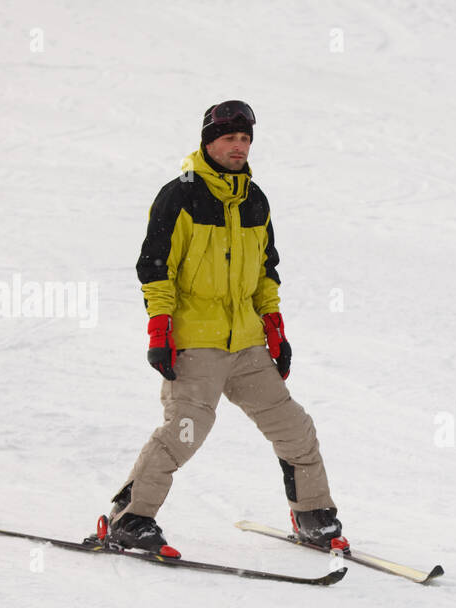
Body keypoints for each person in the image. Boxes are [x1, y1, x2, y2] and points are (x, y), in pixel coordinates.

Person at [104, 100, 345, 554]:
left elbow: (265, 272)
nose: (239, 146)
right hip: (196, 345)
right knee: (184, 433)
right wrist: (160, 330)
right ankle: (129, 518)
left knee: (295, 428)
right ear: (209, 142)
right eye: (230, 138)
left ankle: (312, 514)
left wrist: (274, 327)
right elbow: (155, 268)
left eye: (245, 139)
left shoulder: (255, 200)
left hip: (248, 346)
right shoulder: (180, 195)